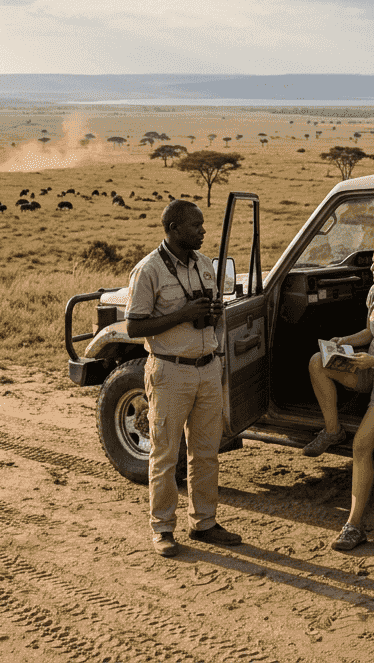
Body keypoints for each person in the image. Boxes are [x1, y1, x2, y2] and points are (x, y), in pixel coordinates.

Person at [125, 199, 243, 557]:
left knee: (206, 452)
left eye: (203, 225)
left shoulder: (205, 264)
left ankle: (204, 522)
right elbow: (133, 326)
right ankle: (162, 528)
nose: (203, 232)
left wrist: (211, 314)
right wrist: (183, 314)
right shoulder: (148, 271)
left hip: (207, 368)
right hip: (170, 371)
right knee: (165, 455)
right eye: (196, 226)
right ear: (174, 229)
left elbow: (209, 309)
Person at [301, 237, 374, 551]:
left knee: (362, 446)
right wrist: (346, 341)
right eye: (373, 261)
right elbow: (370, 333)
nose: (373, 267)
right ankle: (332, 430)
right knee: (318, 362)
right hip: (367, 365)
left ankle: (353, 526)